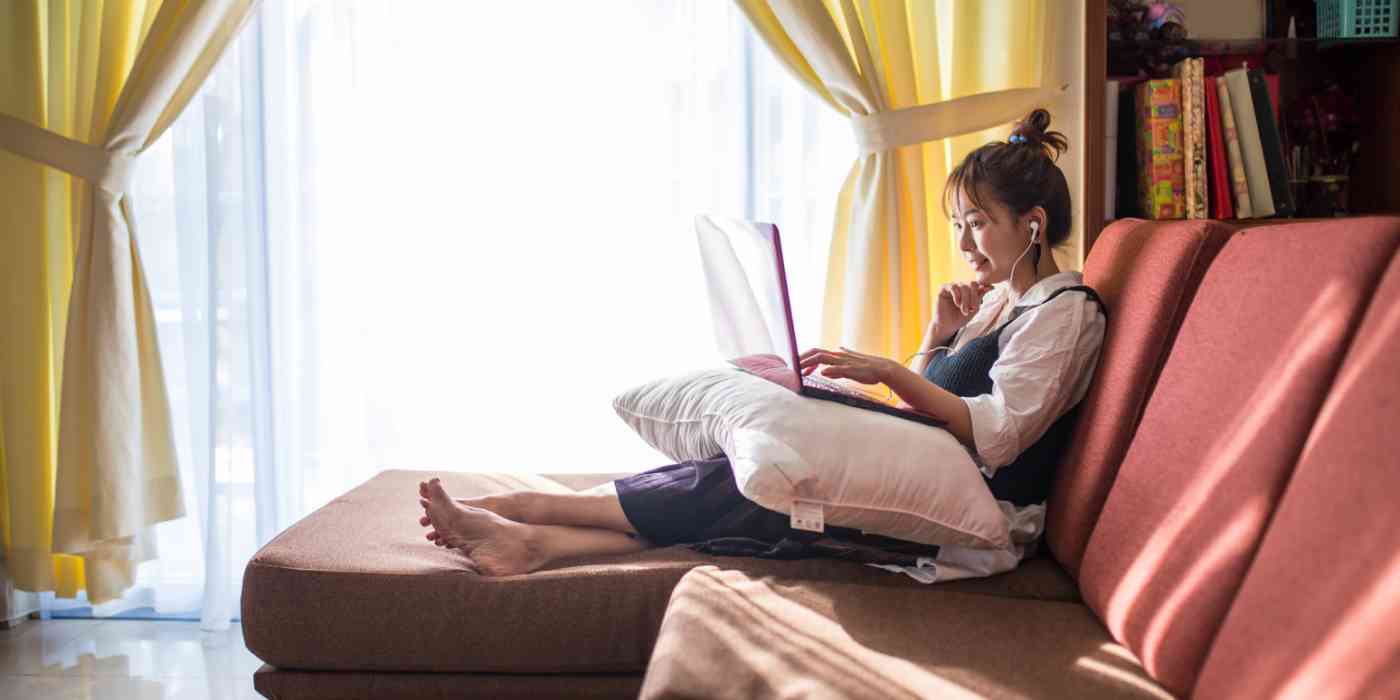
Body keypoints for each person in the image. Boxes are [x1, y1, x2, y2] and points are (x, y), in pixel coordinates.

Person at [417, 109, 1107, 582]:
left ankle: (532, 510)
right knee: (765, 460)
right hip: (937, 471)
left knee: (780, 477)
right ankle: (534, 542)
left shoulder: (1064, 315)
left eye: (977, 224)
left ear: (1034, 225)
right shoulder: (1000, 304)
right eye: (958, 223)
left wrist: (895, 371)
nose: (962, 244)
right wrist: (936, 343)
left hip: (979, 517)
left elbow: (998, 436)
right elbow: (943, 408)